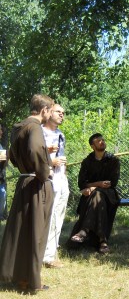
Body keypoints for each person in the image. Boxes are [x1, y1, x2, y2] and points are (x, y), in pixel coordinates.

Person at [0, 94, 54, 292]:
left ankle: (20, 276)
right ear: (44, 110)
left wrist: (24, 169)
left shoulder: (18, 128)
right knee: (36, 233)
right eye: (51, 110)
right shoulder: (34, 127)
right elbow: (36, 149)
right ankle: (32, 281)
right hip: (36, 184)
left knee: (22, 231)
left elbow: (12, 154)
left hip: (25, 180)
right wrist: (44, 173)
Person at [68, 133, 120, 254]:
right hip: (92, 195)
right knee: (98, 197)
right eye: (99, 141)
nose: (102, 142)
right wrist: (97, 185)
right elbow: (81, 183)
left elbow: (113, 182)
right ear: (92, 146)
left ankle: (84, 231)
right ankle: (103, 241)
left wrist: (94, 186)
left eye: (103, 140)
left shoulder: (113, 160)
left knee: (98, 194)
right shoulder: (87, 162)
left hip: (109, 195)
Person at [42, 104, 69, 268]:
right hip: (47, 179)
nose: (62, 115)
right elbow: (32, 157)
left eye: (64, 113)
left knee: (59, 215)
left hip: (61, 178)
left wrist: (64, 175)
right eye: (59, 112)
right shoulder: (39, 132)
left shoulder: (60, 134)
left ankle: (52, 251)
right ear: (49, 112)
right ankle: (45, 255)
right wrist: (50, 161)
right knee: (48, 216)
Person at [0, 125, 8, 221]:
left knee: (2, 195)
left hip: (1, 178)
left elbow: (4, 163)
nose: (1, 132)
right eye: (0, 130)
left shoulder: (0, 145)